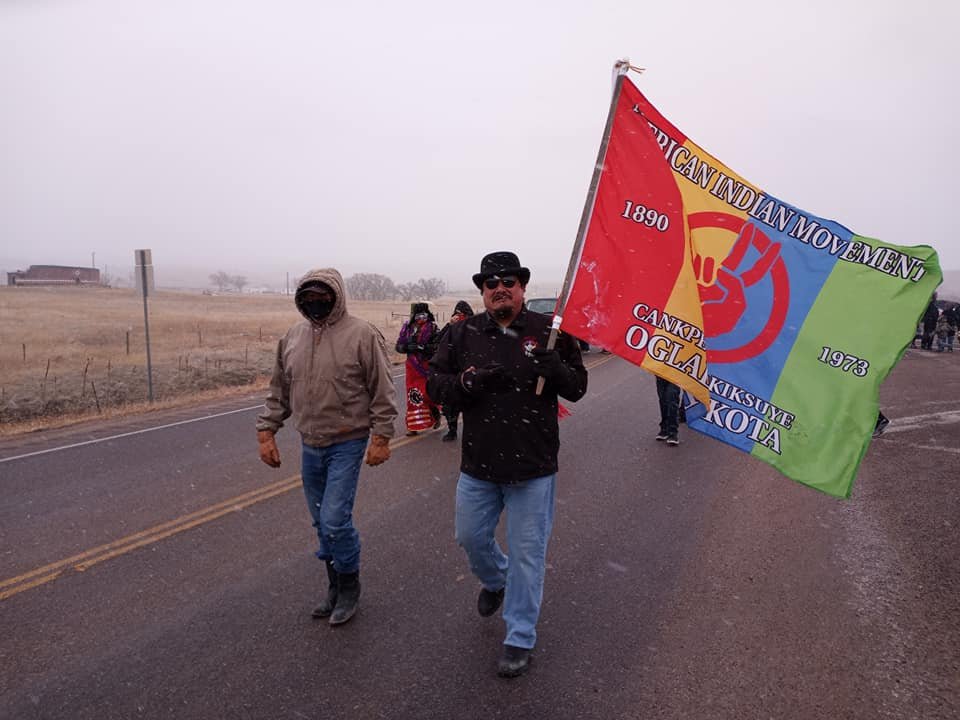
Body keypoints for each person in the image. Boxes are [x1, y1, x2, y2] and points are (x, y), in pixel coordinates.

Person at [427, 251, 588, 679]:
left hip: (533, 466)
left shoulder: (549, 333)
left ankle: (519, 636)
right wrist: (466, 382)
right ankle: (496, 580)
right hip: (478, 466)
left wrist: (556, 371)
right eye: (491, 283)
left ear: (522, 288)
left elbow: (577, 388)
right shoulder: (462, 335)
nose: (501, 288)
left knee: (528, 556)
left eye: (509, 282)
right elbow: (435, 384)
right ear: (482, 291)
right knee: (469, 537)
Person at [256, 269, 397, 626]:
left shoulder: (362, 335)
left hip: (347, 442)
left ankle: (350, 585)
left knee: (335, 520)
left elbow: (383, 389)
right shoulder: (293, 337)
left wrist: (381, 437)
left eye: (322, 296)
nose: (315, 303)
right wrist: (266, 431)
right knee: (321, 522)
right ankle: (333, 586)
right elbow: (279, 390)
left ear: (337, 296)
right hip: (310, 443)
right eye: (308, 297)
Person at [396, 303, 441, 436]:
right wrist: (406, 348)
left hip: (427, 366)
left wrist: (422, 348)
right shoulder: (407, 328)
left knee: (426, 393)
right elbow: (399, 346)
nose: (421, 318)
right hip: (412, 367)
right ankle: (413, 426)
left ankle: (434, 411)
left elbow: (438, 346)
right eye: (418, 315)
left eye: (424, 315)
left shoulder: (433, 328)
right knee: (413, 396)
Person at [434, 300, 475, 441]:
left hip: (468, 368)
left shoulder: (474, 327)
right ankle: (452, 430)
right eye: (457, 314)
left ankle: (473, 430)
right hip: (451, 370)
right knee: (450, 403)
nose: (460, 317)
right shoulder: (451, 328)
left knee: (471, 403)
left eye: (462, 314)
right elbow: (438, 341)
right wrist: (449, 325)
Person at [655, 377, 681, 445]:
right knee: (663, 401)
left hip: (675, 374)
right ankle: (664, 428)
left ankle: (673, 432)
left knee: (672, 399)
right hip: (660, 373)